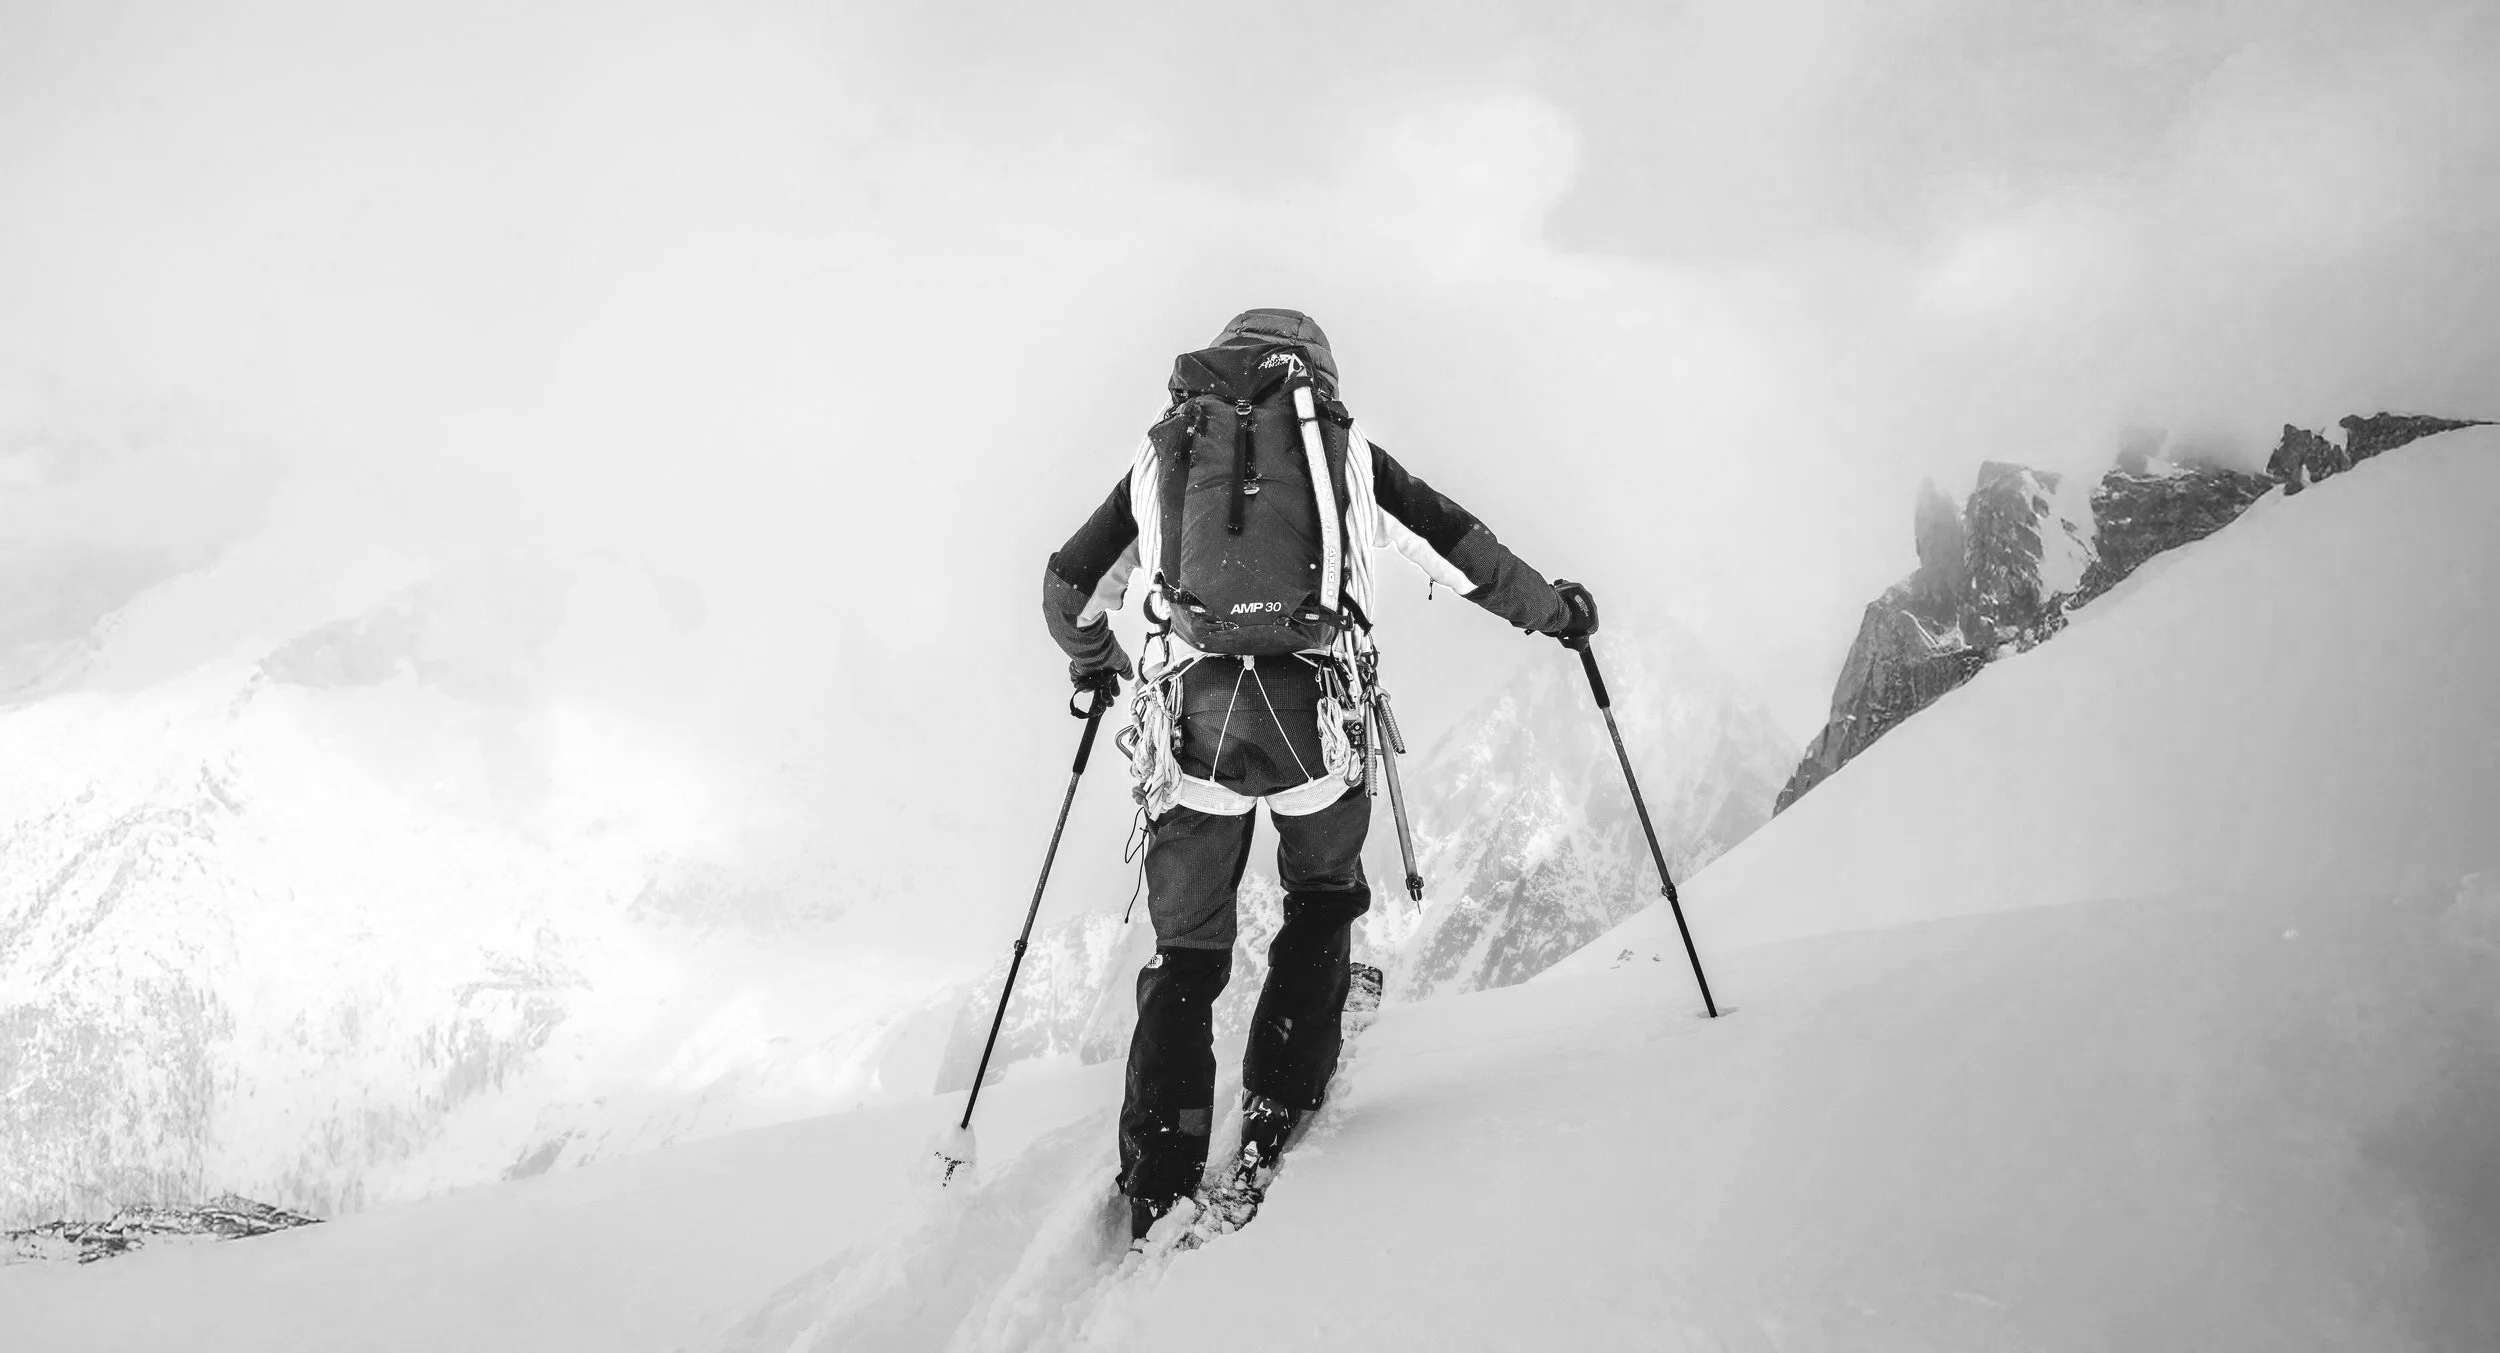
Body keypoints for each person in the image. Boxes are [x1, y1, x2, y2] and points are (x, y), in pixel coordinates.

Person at [1040, 308, 1598, 1239]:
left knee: (1186, 956)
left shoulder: (1163, 455)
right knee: (1323, 896)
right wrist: (1558, 613)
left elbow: (1066, 587)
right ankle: (1275, 1101)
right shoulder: (1344, 453)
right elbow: (1466, 553)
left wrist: (1098, 661)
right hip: (1318, 721)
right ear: (1316, 374)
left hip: (1191, 727)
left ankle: (1159, 1172)